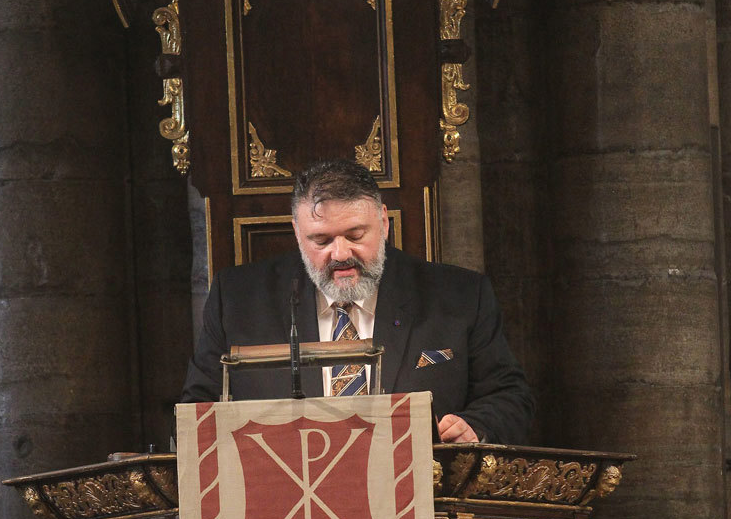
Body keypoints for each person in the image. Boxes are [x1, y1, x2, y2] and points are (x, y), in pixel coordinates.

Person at [182, 159, 533, 444]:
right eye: (321, 240)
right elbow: (197, 409)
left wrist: (475, 426)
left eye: (355, 235)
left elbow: (509, 396)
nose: (340, 254)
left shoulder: (459, 295)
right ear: (296, 232)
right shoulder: (239, 299)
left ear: (383, 221)